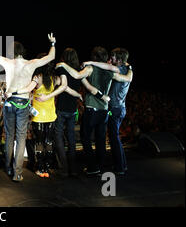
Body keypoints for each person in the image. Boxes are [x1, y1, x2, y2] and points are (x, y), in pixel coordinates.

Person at [0, 25, 56, 182]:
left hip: (10, 103)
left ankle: (8, 167)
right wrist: (52, 43)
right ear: (23, 51)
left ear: (12, 52)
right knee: (21, 138)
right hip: (23, 103)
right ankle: (17, 173)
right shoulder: (31, 63)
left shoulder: (7, 62)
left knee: (9, 136)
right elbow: (51, 57)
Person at [56, 46, 133, 176]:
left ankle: (92, 167)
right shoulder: (112, 72)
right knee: (101, 140)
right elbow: (127, 79)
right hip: (104, 110)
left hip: (92, 110)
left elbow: (76, 74)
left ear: (94, 57)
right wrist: (130, 68)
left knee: (86, 138)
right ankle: (100, 166)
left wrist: (64, 65)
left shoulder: (90, 68)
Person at [9, 53, 82, 178]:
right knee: (48, 142)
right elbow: (67, 89)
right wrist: (78, 95)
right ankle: (47, 168)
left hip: (38, 117)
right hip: (51, 116)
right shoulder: (55, 78)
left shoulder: (37, 77)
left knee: (39, 143)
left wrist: (13, 92)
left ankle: (41, 168)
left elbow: (27, 89)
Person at [82, 48, 133, 175]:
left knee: (114, 137)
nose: (111, 60)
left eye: (113, 57)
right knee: (112, 136)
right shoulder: (128, 70)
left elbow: (104, 66)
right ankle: (122, 164)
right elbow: (129, 77)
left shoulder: (118, 70)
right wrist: (130, 66)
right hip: (120, 108)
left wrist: (91, 63)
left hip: (114, 109)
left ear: (120, 60)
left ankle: (120, 168)